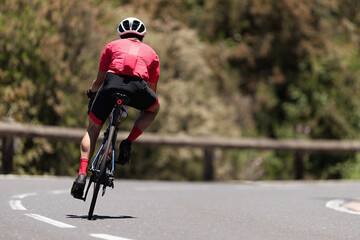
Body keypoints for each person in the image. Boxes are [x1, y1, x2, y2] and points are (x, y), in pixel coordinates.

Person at [71, 17, 160, 198]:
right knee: (153, 109)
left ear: (121, 34)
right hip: (137, 88)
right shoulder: (152, 53)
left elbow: (98, 82)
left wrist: (91, 92)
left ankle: (81, 174)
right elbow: (152, 90)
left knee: (93, 128)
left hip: (111, 84)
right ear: (142, 36)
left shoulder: (111, 46)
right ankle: (128, 142)